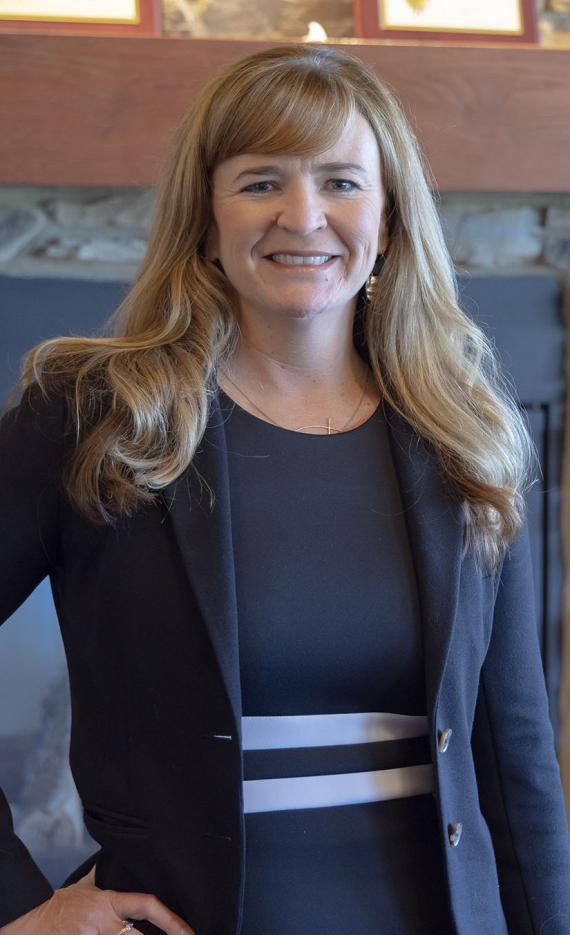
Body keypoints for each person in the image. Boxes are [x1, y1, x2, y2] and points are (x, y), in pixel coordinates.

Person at [0, 41, 569, 935]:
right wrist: (21, 905)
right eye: (261, 181)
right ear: (205, 215)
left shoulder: (466, 432)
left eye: (341, 181)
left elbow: (518, 750)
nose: (304, 216)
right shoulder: (94, 416)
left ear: (387, 219)